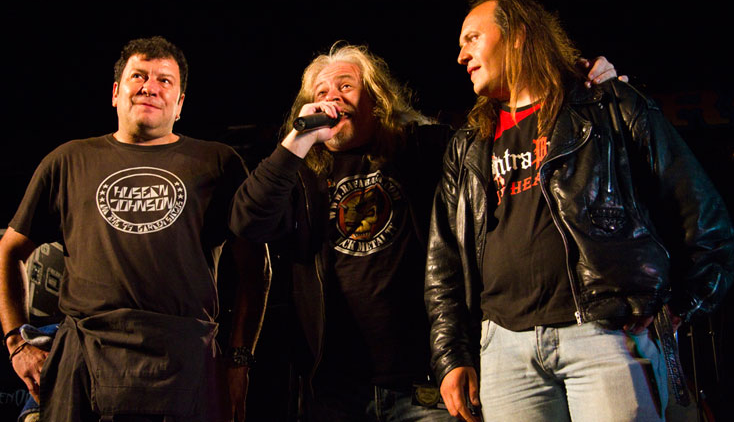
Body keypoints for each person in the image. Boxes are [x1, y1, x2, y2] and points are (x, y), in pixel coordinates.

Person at [230, 43, 616, 421]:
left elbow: (513, 145)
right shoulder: (298, 174)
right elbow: (247, 221)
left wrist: (572, 88)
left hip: (426, 385)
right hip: (333, 391)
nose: (332, 98)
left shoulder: (425, 147)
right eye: (321, 92)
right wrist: (297, 141)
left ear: (376, 98)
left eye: (346, 86)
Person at [424, 0, 734, 422]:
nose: (461, 56)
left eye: (472, 38)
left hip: (604, 336)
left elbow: (705, 218)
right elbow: (443, 261)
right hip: (504, 350)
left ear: (518, 35)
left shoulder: (608, 105)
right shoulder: (468, 145)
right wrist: (451, 354)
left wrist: (681, 305)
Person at [0, 36, 267, 422]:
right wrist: (16, 343)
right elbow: (10, 250)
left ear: (180, 104)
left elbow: (256, 268)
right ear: (115, 93)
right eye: (138, 76)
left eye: (164, 80)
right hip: (83, 358)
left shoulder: (218, 162)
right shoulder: (68, 160)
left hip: (186, 363)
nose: (150, 87)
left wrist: (239, 361)